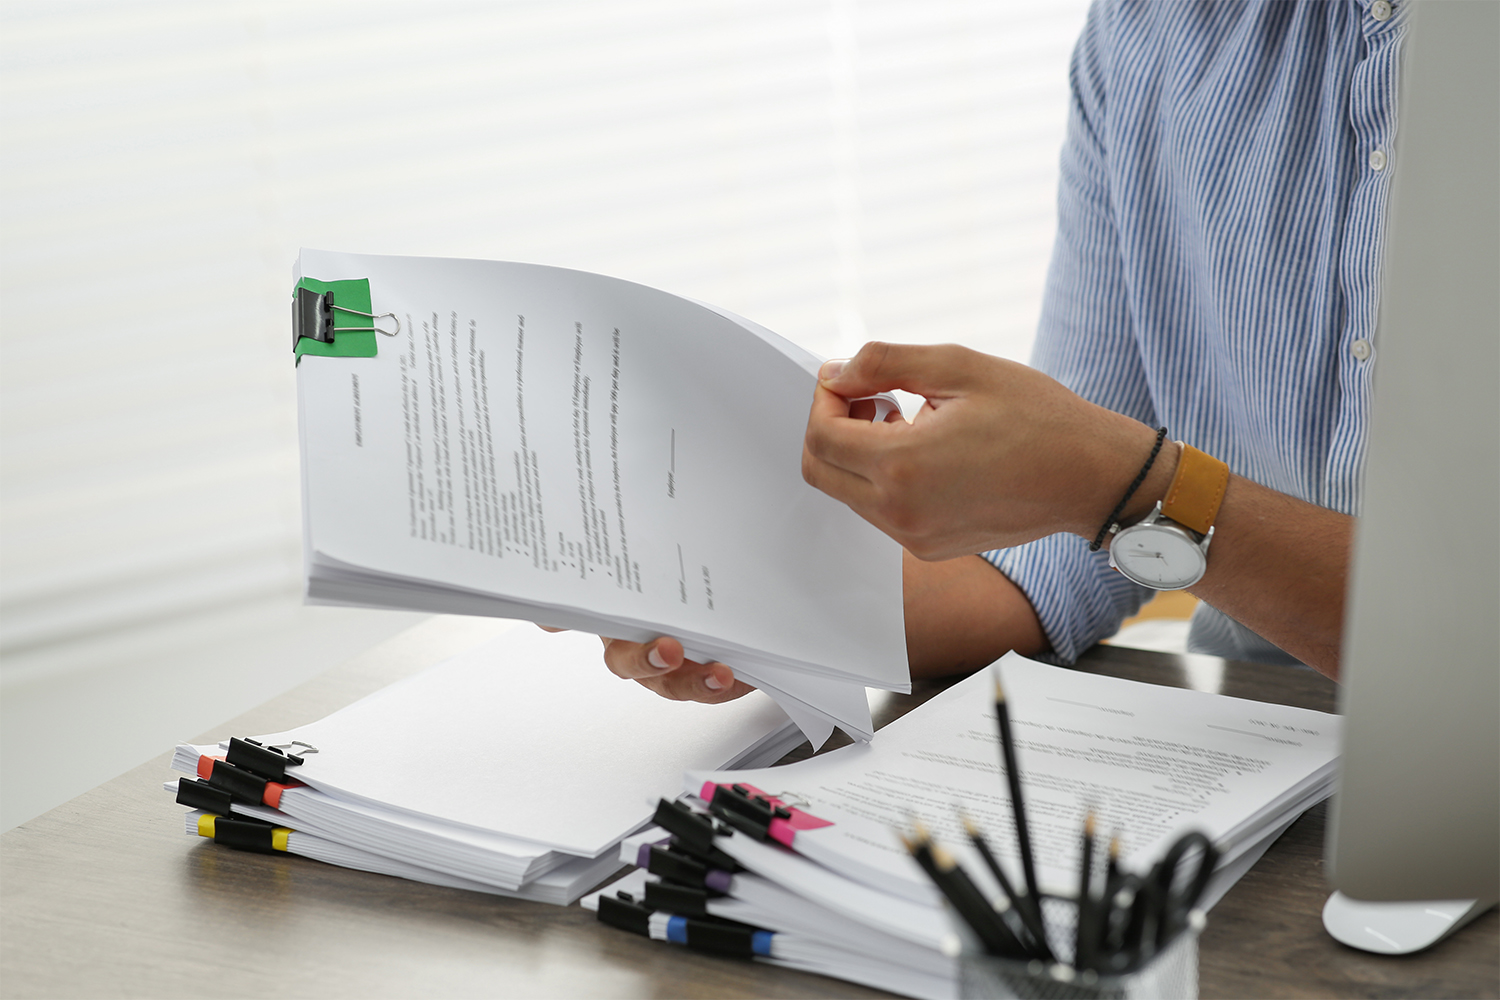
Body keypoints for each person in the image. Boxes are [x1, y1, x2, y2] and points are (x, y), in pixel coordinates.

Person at [598, 0, 1405, 704]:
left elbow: (1109, 495)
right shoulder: (1143, 31)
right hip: (1270, 744)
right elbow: (1077, 553)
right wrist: (762, 607)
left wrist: (1114, 482)